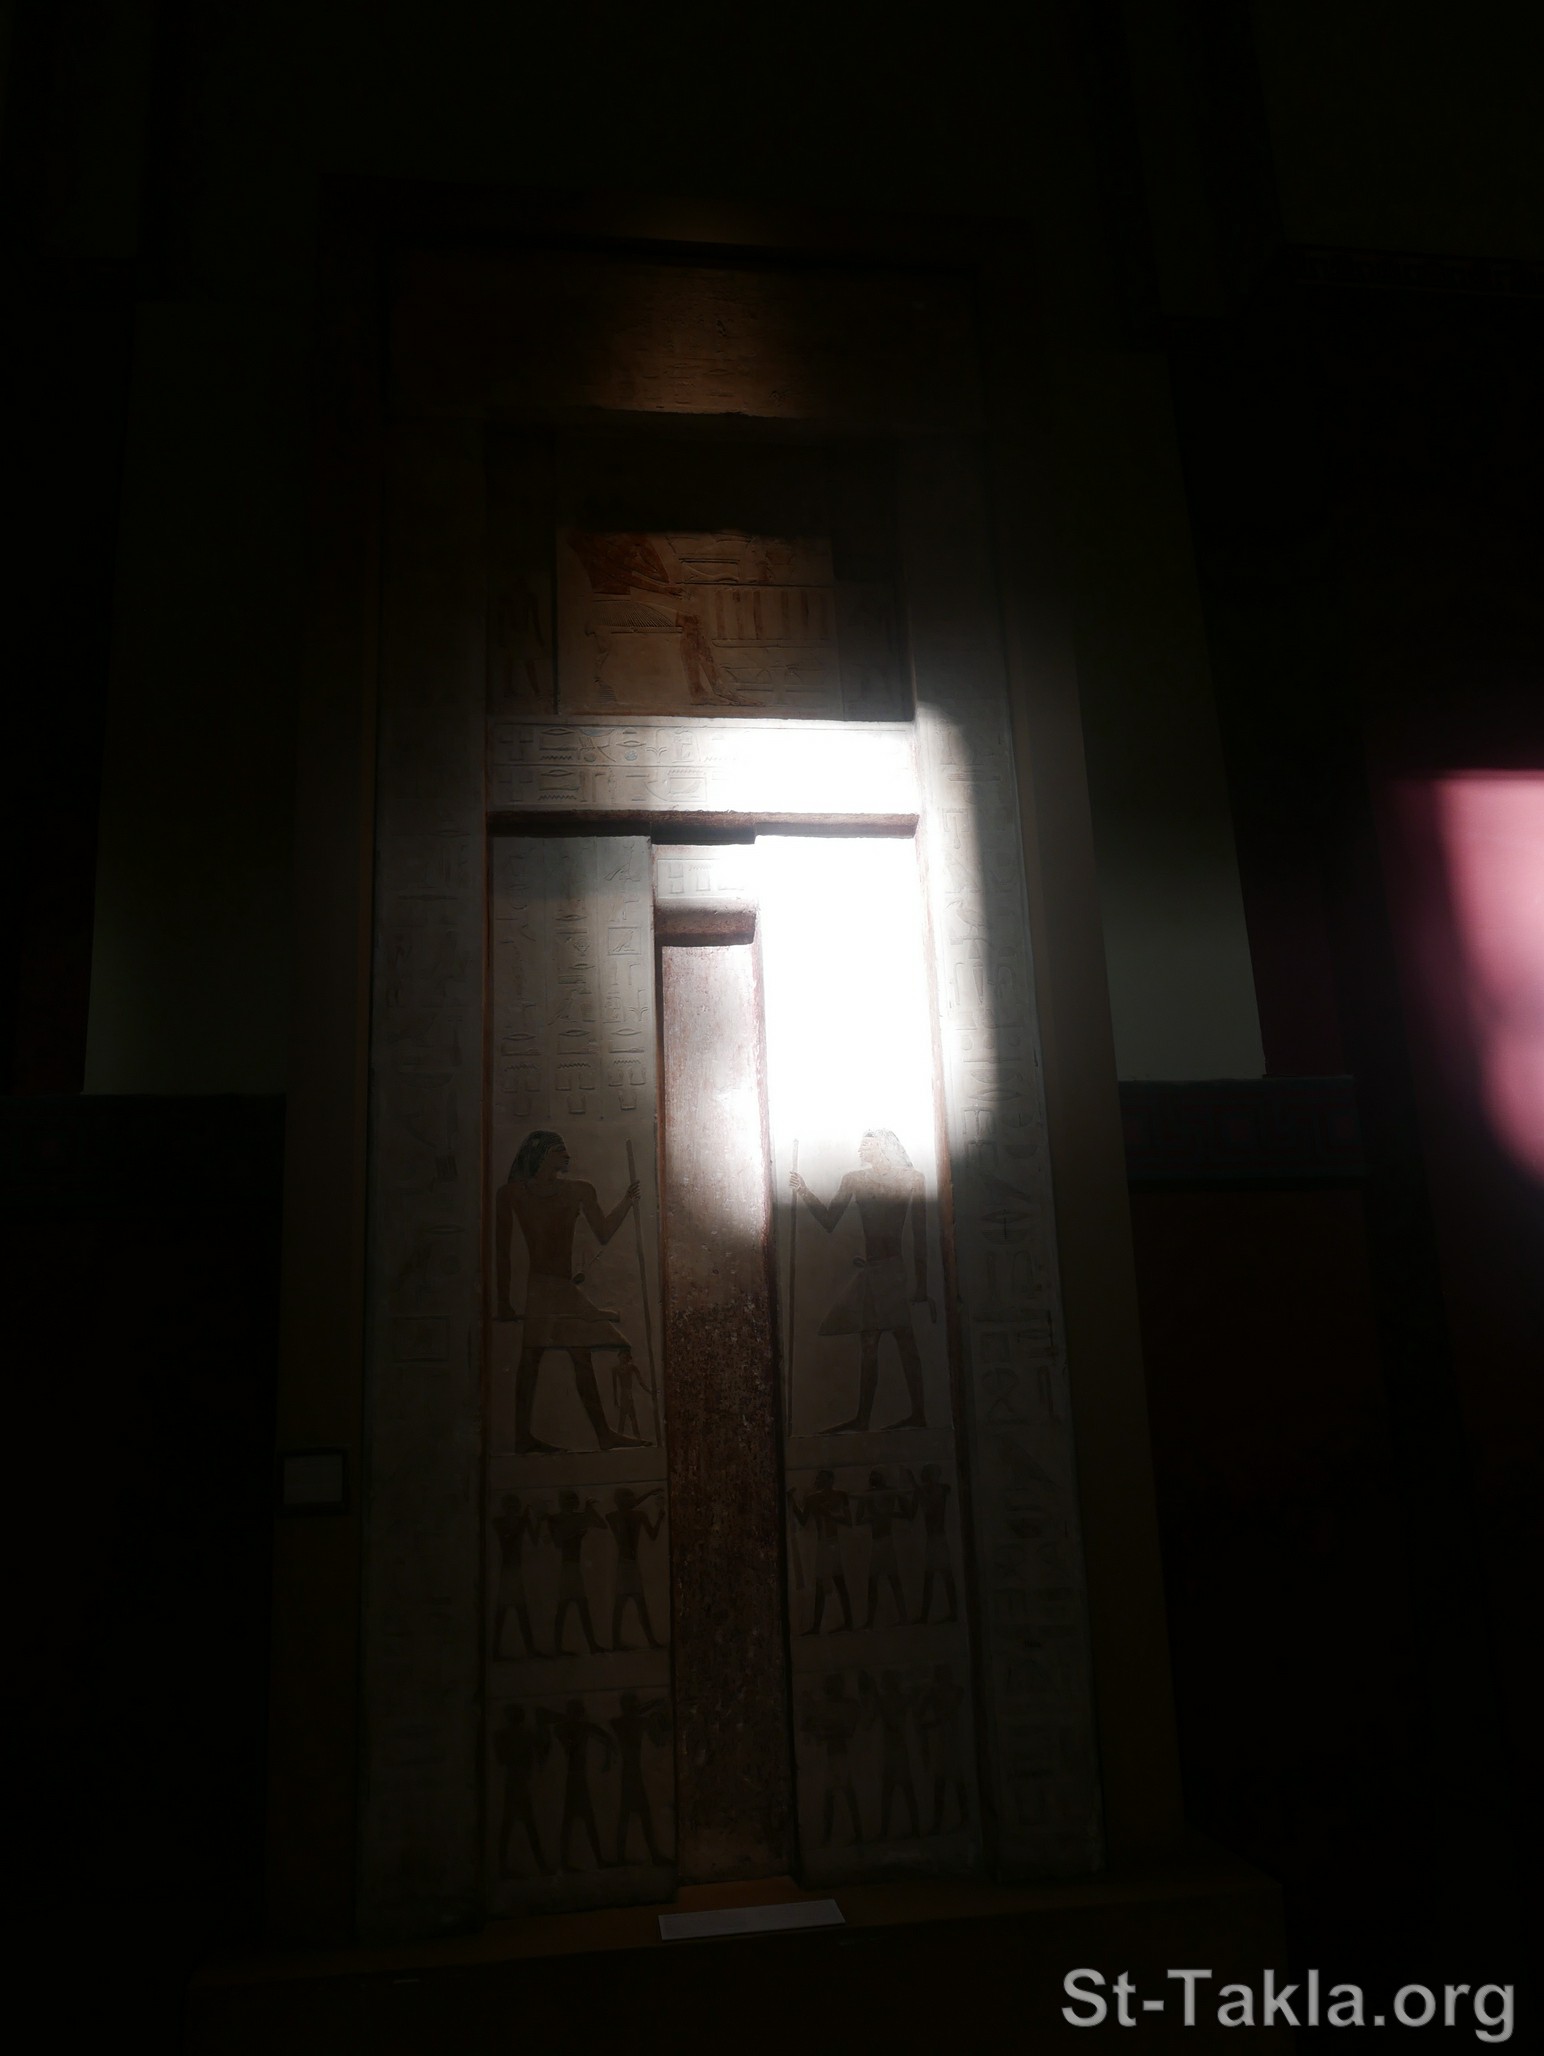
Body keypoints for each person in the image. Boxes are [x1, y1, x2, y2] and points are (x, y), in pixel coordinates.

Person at [495, 1130, 642, 1455]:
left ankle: (602, 1435)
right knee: (533, 1359)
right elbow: (502, 1253)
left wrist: (627, 1202)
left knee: (578, 1357)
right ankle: (524, 1436)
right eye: (559, 1150)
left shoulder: (579, 1190)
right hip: (540, 1287)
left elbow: (603, 1232)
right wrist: (503, 1301)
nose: (567, 1155)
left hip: (562, 1288)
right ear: (542, 1155)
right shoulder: (511, 1194)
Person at [791, 1129, 932, 1433]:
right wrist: (803, 1190)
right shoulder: (854, 1179)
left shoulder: (912, 1179)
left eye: (866, 1146)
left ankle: (916, 1414)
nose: (860, 1151)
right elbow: (829, 1220)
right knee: (871, 1343)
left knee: (903, 1341)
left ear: (883, 1147)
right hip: (873, 1272)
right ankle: (864, 1419)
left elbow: (921, 1236)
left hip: (892, 1272)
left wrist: (922, 1285)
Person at [787, 1470, 854, 1635]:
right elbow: (803, 1520)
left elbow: (848, 1520)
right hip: (823, 1544)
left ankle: (848, 1622)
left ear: (830, 1480)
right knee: (821, 1584)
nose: (817, 1480)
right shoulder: (812, 1499)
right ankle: (817, 1626)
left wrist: (829, 1514)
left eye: (821, 1478)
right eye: (817, 1478)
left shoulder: (840, 1495)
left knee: (838, 1582)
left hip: (833, 1542)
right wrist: (791, 1501)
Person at [494, 1704, 553, 1877]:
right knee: (527, 1825)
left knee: (509, 1825)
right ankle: (541, 1866)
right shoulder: (525, 1735)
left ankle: (504, 1866)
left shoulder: (503, 1735)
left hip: (512, 1782)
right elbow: (541, 1751)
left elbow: (501, 1759)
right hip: (519, 1784)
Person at [606, 1487, 665, 1650]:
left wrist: (659, 1517)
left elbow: (652, 1535)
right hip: (626, 1565)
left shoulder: (628, 1516)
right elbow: (652, 1534)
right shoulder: (622, 1516)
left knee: (630, 1604)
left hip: (629, 1565)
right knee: (629, 1605)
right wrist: (649, 1493)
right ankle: (646, 1641)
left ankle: (645, 1641)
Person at [548, 1491, 606, 1656]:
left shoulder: (576, 1518)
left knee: (577, 1605)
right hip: (567, 1566)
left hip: (573, 1566)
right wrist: (576, 1532)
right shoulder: (556, 1519)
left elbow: (601, 1524)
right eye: (568, 1500)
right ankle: (564, 1647)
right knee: (569, 1606)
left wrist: (589, 1510)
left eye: (572, 1500)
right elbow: (558, 1542)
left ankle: (590, 1645)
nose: (570, 1503)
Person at [492, 1492, 541, 1657]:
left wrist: (536, 1521)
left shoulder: (519, 1522)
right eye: (510, 1507)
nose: (513, 1510)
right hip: (508, 1570)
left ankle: (528, 1649)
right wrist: (523, 1522)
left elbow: (534, 1540)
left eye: (515, 1507)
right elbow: (508, 1541)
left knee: (517, 1610)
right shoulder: (500, 1522)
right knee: (508, 1610)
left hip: (514, 1570)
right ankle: (498, 1649)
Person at [908, 1464, 958, 1624]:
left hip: (938, 1538)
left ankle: (936, 1614)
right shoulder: (929, 1490)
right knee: (933, 1577)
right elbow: (911, 1513)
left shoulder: (938, 1490)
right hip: (934, 1538)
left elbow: (930, 1506)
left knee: (940, 1576)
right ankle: (928, 1615)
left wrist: (915, 1486)